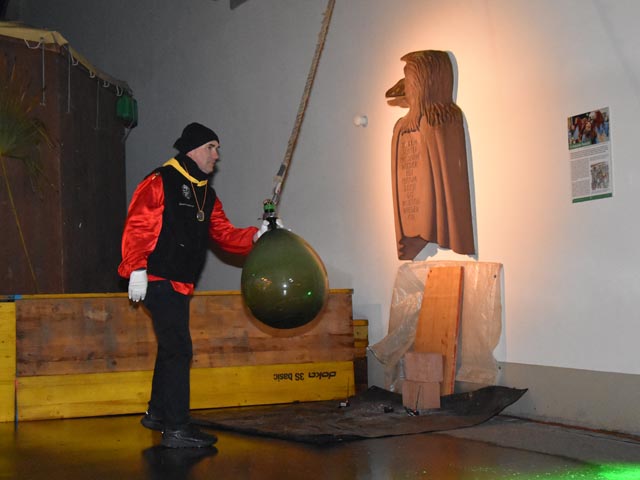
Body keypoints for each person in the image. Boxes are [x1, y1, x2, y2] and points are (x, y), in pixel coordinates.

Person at [118, 122, 269, 448]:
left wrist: (257, 236)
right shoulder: (161, 181)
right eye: (212, 147)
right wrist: (137, 268)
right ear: (195, 150)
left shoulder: (206, 194)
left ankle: (158, 414)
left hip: (180, 283)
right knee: (179, 349)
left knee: (171, 347)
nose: (217, 155)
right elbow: (139, 224)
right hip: (158, 279)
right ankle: (177, 428)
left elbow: (225, 235)